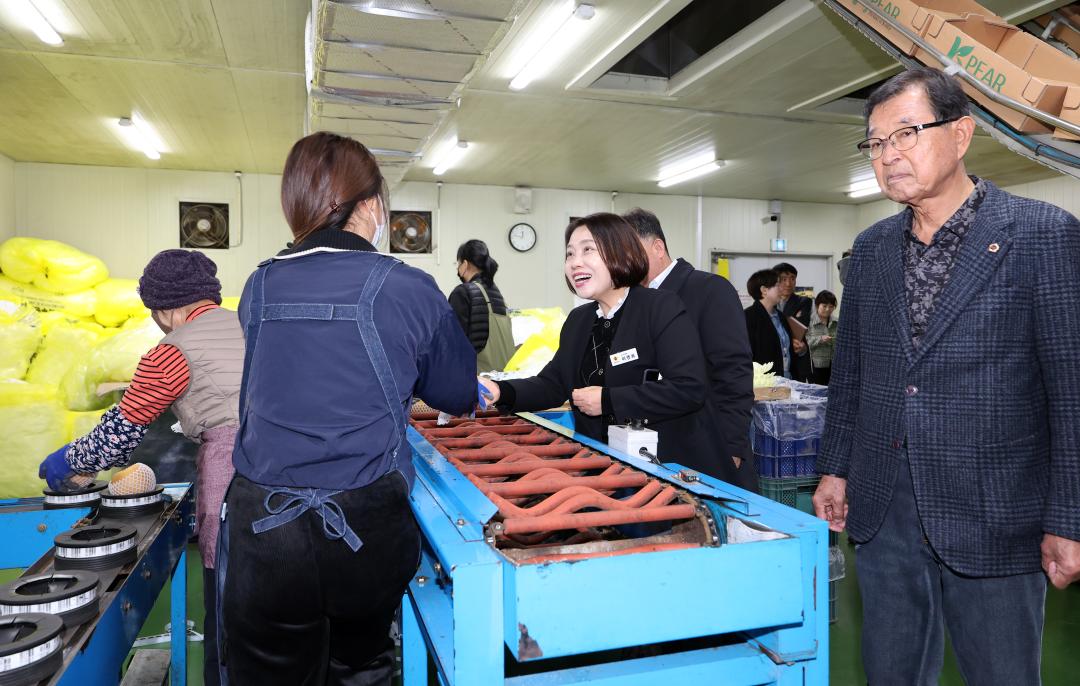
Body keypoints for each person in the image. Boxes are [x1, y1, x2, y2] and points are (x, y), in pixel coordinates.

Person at [812, 67, 1080, 686]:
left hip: (996, 511)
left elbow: (1072, 394)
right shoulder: (871, 249)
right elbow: (851, 375)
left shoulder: (1042, 235)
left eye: (906, 134)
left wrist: (1068, 518)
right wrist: (835, 467)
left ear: (961, 134)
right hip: (884, 507)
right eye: (876, 143)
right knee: (891, 672)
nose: (888, 156)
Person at [218, 132, 477, 685]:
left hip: (264, 527)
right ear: (372, 205)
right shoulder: (408, 288)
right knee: (361, 666)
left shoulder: (259, 285)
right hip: (363, 526)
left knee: (270, 673)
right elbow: (458, 393)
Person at [38, 248, 241, 686]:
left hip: (234, 485)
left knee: (229, 624)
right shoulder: (251, 325)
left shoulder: (171, 352)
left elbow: (120, 432)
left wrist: (70, 461)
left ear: (163, 309)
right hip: (295, 485)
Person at [477, 213, 719, 475]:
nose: (575, 263)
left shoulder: (659, 307)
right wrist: (500, 390)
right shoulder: (579, 320)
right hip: (601, 469)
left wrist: (609, 400)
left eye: (587, 250)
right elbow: (553, 384)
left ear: (621, 253)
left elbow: (689, 388)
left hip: (663, 470)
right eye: (570, 254)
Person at [622, 207, 756, 491]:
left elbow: (733, 371)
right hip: (657, 448)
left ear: (658, 247)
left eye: (628, 252)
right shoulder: (634, 301)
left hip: (708, 448)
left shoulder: (709, 290)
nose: (623, 262)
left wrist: (731, 447)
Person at [448, 239, 515, 372]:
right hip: (503, 377)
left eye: (458, 263)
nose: (457, 268)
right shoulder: (496, 294)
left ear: (464, 264)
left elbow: (452, 341)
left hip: (475, 377)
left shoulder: (463, 292)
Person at [743, 269, 796, 380]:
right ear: (764, 290)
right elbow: (746, 355)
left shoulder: (781, 316)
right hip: (764, 382)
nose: (782, 288)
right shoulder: (748, 317)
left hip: (787, 379)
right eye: (777, 285)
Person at [773, 262, 811, 381]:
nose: (788, 283)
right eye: (783, 279)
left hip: (796, 358)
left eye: (792, 279)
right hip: (773, 358)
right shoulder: (769, 302)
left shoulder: (804, 301)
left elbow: (800, 327)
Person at [806, 290, 837, 386]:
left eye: (831, 306)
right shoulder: (809, 322)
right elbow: (805, 343)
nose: (827, 309)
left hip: (834, 364)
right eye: (824, 306)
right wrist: (820, 339)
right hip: (816, 365)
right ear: (817, 305)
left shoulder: (836, 322)